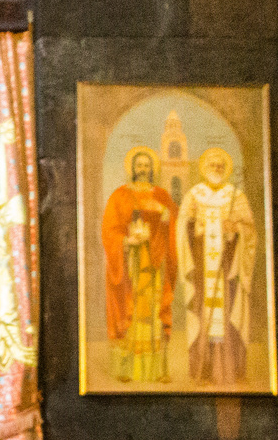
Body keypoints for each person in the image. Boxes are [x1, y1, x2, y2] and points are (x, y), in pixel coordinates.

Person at [176, 146, 258, 385]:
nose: (217, 169)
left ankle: (229, 368)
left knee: (227, 312)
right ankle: (203, 369)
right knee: (204, 314)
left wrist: (236, 229)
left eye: (221, 166)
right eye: (212, 165)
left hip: (227, 266)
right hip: (203, 266)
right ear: (204, 169)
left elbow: (250, 230)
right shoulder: (194, 194)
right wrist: (195, 225)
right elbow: (183, 228)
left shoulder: (236, 195)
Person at [100, 146, 178, 382]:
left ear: (152, 168)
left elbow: (174, 221)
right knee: (130, 309)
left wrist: (163, 212)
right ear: (132, 168)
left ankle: (157, 371)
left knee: (153, 310)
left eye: (147, 165)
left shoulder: (161, 195)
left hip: (155, 262)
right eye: (139, 165)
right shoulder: (120, 195)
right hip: (130, 262)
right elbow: (108, 230)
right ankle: (126, 369)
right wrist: (127, 240)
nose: (143, 169)